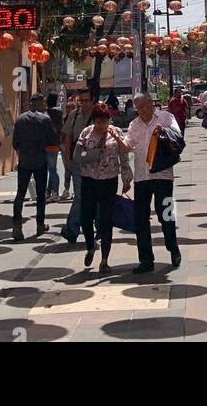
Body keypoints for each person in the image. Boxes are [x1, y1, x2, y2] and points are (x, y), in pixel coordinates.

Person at [125, 92, 183, 274]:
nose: (141, 110)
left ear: (151, 103)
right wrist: (116, 138)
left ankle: (173, 248)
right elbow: (127, 145)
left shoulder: (166, 117)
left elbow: (177, 136)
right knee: (140, 219)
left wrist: (162, 131)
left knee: (166, 213)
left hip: (163, 174)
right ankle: (146, 259)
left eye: (143, 106)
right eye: (138, 108)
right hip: (142, 177)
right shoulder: (134, 124)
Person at [73, 104, 132, 274]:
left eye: (105, 122)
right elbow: (77, 157)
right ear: (94, 121)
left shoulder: (116, 133)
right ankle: (91, 246)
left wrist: (126, 179)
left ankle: (105, 260)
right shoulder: (86, 133)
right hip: (89, 180)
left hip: (109, 181)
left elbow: (124, 157)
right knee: (86, 217)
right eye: (98, 122)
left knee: (106, 220)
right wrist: (92, 155)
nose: (102, 126)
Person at [11, 94, 56, 240]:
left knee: (20, 194)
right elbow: (52, 139)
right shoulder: (45, 119)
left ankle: (17, 226)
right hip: (40, 160)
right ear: (40, 102)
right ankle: (40, 224)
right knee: (41, 194)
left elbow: (15, 142)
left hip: (24, 160)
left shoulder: (20, 119)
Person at [60, 86, 95, 243]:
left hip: (95, 163)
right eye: (81, 101)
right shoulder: (74, 116)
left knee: (96, 196)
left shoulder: (98, 115)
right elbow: (67, 138)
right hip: (77, 162)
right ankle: (72, 229)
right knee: (80, 196)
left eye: (87, 101)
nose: (84, 104)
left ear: (92, 100)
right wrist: (67, 160)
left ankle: (100, 227)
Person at [45, 92, 64, 199]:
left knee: (50, 169)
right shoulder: (59, 113)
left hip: (46, 144)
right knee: (52, 169)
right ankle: (49, 191)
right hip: (56, 144)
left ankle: (54, 192)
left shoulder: (46, 113)